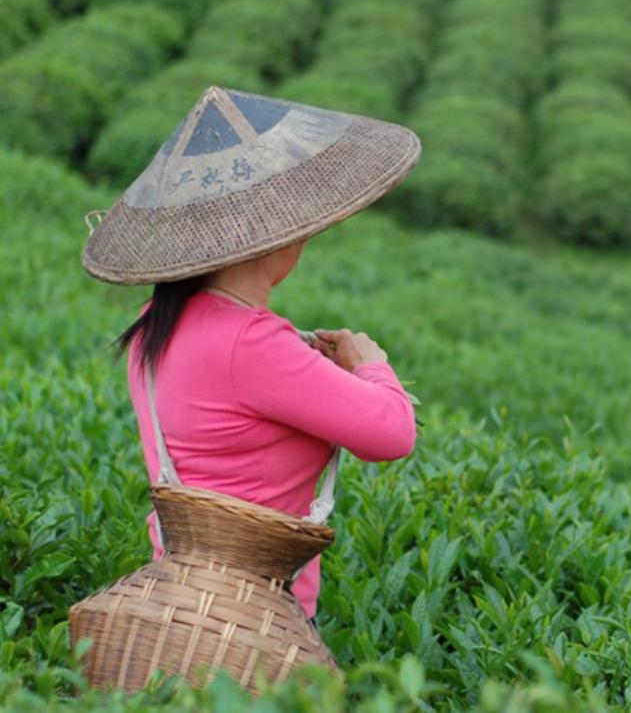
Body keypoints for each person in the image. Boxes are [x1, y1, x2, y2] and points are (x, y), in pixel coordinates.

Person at [81, 85, 423, 626]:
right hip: (255, 616)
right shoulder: (252, 344)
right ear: (270, 237)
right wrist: (368, 361)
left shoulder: (154, 326)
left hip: (176, 597)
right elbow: (393, 433)